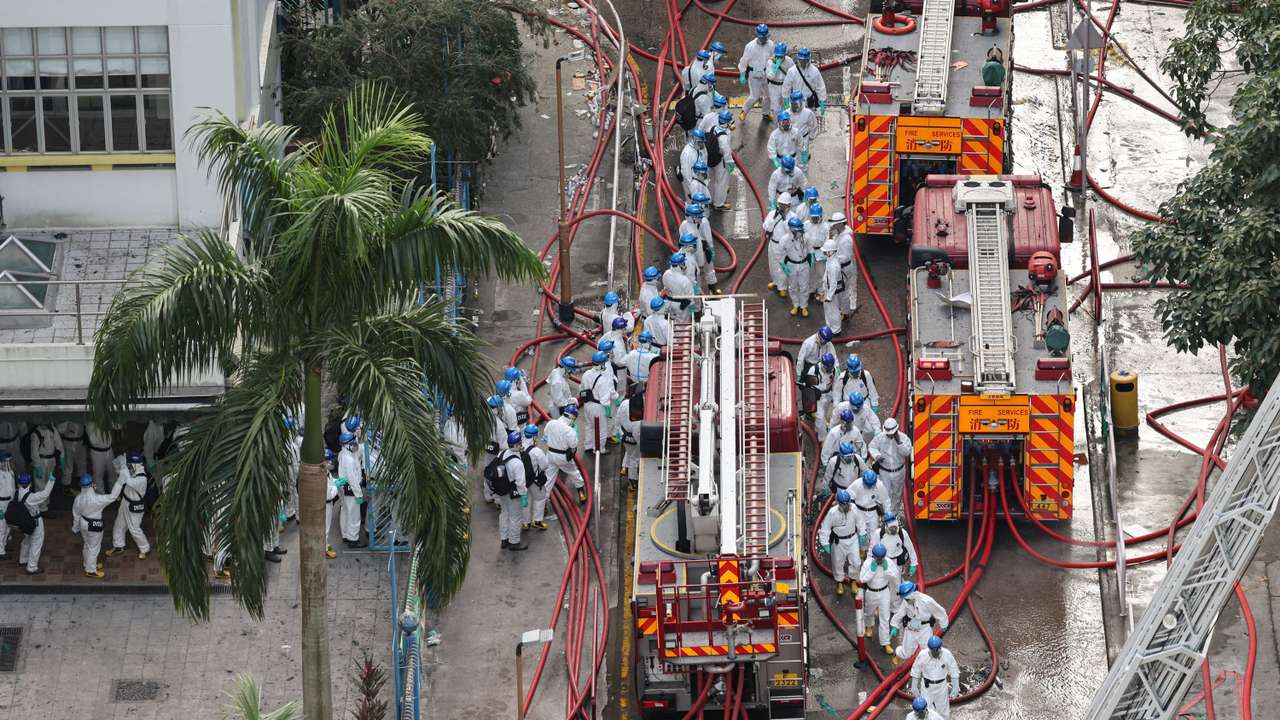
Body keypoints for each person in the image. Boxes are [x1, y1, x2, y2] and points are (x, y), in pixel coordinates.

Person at [72, 473, 124, 578]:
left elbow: (76, 514)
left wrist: (75, 526)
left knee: (87, 544)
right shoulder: (97, 499)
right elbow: (113, 496)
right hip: (94, 525)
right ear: (91, 485)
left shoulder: (78, 498)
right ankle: (91, 570)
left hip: (83, 523)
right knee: (93, 547)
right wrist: (120, 482)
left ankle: (87, 564)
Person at [890, 581, 950, 666]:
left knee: (928, 651)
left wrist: (944, 624)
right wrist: (894, 625)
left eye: (907, 599)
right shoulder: (906, 601)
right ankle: (898, 654)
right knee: (906, 653)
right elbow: (901, 612)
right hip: (911, 626)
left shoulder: (927, 601)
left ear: (913, 595)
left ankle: (926, 668)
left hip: (924, 628)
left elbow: (939, 611)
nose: (906, 601)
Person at [104, 453, 151, 559]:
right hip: (125, 501)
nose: (129, 465)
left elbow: (128, 481)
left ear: (137, 464)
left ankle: (145, 548)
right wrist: (121, 465)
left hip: (135, 506)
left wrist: (123, 468)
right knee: (119, 524)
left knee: (134, 528)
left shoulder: (142, 478)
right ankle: (118, 545)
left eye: (131, 463)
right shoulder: (132, 470)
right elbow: (118, 467)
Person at [859, 542, 902, 652]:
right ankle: (869, 625)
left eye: (881, 558)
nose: (879, 560)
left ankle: (885, 642)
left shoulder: (888, 562)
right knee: (869, 612)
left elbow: (895, 575)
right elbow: (862, 579)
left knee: (885, 617)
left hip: (884, 592)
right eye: (877, 558)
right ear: (873, 556)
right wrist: (871, 570)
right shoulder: (868, 563)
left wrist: (886, 568)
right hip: (871, 592)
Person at [818, 489, 859, 596]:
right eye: (843, 504)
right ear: (838, 503)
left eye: (847, 504)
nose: (846, 507)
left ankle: (853, 580)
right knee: (838, 563)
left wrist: (862, 533)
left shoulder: (854, 509)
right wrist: (825, 543)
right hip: (838, 542)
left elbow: (860, 521)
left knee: (856, 562)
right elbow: (825, 529)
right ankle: (839, 582)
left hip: (853, 539)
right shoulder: (832, 513)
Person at [15, 472, 55, 575]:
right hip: (35, 521)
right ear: (30, 484)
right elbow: (45, 494)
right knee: (36, 543)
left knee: (26, 540)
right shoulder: (30, 497)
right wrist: (51, 481)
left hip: (24, 521)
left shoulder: (17, 493)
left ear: (18, 484)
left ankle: (23, 559)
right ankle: (32, 567)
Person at [495, 431, 529, 551]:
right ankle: (514, 542)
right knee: (515, 517)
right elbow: (520, 483)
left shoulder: (501, 454)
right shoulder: (517, 463)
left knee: (504, 514)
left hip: (501, 491)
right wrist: (524, 495)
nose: (521, 445)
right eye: (519, 443)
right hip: (513, 493)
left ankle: (504, 539)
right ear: (515, 445)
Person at [911, 635, 961, 718]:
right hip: (927, 687)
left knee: (943, 710)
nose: (935, 654)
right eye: (933, 651)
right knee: (927, 709)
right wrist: (914, 686)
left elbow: (954, 671)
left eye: (937, 651)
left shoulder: (947, 655)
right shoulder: (922, 655)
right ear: (929, 649)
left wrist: (955, 687)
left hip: (941, 686)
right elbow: (916, 670)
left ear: (940, 648)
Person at [546, 403, 586, 503]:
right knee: (574, 473)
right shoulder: (569, 430)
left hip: (550, 455)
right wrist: (574, 432)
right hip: (562, 457)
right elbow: (573, 446)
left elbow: (545, 436)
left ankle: (544, 502)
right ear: (572, 417)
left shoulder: (551, 423)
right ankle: (581, 493)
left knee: (548, 479)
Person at [580, 351, 618, 455]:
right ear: (601, 364)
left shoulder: (586, 374)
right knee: (602, 429)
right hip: (598, 407)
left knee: (589, 426)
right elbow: (605, 400)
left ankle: (588, 446)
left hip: (587, 405)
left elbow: (582, 388)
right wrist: (608, 409)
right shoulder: (602, 380)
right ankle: (600, 449)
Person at [871, 419, 912, 513]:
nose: (889, 435)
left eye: (891, 433)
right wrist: (877, 456)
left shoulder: (904, 438)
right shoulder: (880, 437)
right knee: (884, 493)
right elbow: (872, 447)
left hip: (899, 471)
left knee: (897, 494)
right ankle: (886, 513)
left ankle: (894, 514)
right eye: (888, 433)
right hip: (884, 471)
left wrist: (899, 443)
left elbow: (906, 453)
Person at [737, 25, 775, 120]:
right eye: (762, 37)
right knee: (754, 96)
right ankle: (744, 111)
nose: (764, 39)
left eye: (765, 37)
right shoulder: (750, 46)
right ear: (757, 36)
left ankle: (766, 113)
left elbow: (773, 57)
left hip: (766, 73)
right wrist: (742, 73)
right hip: (753, 74)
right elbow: (744, 61)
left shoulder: (770, 44)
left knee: (768, 95)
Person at [337, 432, 367, 548]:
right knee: (354, 516)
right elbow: (353, 479)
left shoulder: (343, 454)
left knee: (345, 512)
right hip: (351, 490)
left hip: (344, 489)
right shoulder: (348, 459)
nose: (355, 444)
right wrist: (359, 495)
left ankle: (345, 535)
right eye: (353, 443)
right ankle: (353, 540)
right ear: (346, 445)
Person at [519, 425, 551, 532]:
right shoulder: (537, 451)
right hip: (534, 481)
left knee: (526, 501)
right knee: (540, 498)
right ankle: (537, 521)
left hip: (521, 480)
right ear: (534, 437)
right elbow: (545, 465)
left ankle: (525, 523)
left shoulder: (519, 446)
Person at [763, 192, 795, 294]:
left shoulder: (792, 217)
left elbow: (792, 232)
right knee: (772, 264)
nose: (782, 207)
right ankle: (776, 282)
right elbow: (766, 227)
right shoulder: (772, 213)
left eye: (784, 205)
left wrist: (785, 219)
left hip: (784, 246)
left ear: (789, 206)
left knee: (782, 266)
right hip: (773, 243)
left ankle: (782, 287)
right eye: (780, 204)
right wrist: (774, 218)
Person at [851, 469, 890, 551]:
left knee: (874, 533)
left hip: (873, 512)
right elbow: (849, 498)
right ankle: (861, 550)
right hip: (859, 511)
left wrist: (888, 515)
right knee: (860, 532)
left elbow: (886, 500)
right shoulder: (856, 484)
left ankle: (872, 552)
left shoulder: (879, 485)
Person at [881, 512, 919, 591]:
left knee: (896, 584)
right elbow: (872, 549)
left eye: (895, 527)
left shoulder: (902, 533)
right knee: (883, 582)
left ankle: (896, 602)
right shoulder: (879, 534)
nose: (894, 530)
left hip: (897, 563)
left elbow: (910, 548)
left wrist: (914, 563)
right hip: (883, 562)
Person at [782, 216, 812, 316]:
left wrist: (811, 262)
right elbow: (781, 254)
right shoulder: (785, 239)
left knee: (804, 287)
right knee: (793, 286)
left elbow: (810, 251)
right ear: (791, 230)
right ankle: (795, 305)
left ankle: (804, 306)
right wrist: (783, 265)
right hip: (791, 265)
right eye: (797, 231)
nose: (800, 233)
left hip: (804, 264)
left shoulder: (806, 237)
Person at [26, 423, 62, 508]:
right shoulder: (36, 433)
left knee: (48, 483)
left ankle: (46, 502)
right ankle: (41, 507)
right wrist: (37, 465)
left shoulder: (52, 429)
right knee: (40, 484)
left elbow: (59, 444)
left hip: (51, 459)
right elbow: (34, 451)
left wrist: (62, 456)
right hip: (41, 460)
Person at [706, 114, 735, 212]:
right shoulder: (723, 137)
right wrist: (730, 163)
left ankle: (709, 198)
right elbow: (726, 151)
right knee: (721, 182)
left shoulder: (714, 128)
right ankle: (719, 203)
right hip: (720, 161)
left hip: (711, 158)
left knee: (712, 180)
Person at [784, 47, 827, 113]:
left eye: (805, 60)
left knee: (809, 120)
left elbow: (820, 87)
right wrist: (786, 99)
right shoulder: (792, 71)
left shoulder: (814, 71)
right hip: (795, 102)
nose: (803, 62)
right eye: (801, 60)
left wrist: (822, 101)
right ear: (798, 59)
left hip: (809, 103)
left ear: (809, 59)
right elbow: (786, 86)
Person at [830, 212, 858, 315]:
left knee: (845, 291)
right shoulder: (839, 234)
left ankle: (845, 312)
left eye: (835, 224)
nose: (833, 225)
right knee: (841, 290)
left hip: (844, 268)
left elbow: (845, 257)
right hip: (840, 266)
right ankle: (842, 310)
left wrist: (832, 258)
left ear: (841, 224)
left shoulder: (846, 239)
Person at [818, 240, 847, 333]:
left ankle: (836, 330)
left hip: (832, 291)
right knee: (828, 309)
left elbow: (834, 283)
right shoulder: (830, 260)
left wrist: (829, 297)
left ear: (831, 252)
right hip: (829, 289)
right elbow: (827, 275)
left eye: (825, 251)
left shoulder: (834, 265)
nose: (824, 253)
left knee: (833, 310)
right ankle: (829, 326)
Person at [807, 352, 839, 434]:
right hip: (817, 397)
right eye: (828, 368)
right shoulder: (814, 371)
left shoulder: (834, 370)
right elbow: (809, 388)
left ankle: (824, 427)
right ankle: (821, 438)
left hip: (828, 394)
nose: (830, 370)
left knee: (831, 411)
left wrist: (836, 402)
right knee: (820, 418)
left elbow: (836, 387)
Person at [804, 203, 830, 299]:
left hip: (820, 252)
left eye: (816, 217)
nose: (814, 219)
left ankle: (820, 291)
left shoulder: (826, 227)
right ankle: (811, 289)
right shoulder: (806, 225)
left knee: (821, 272)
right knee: (810, 272)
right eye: (813, 217)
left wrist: (825, 253)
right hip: (809, 251)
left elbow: (828, 240)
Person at [662, 253, 697, 323]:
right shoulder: (684, 280)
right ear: (679, 265)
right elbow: (690, 297)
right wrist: (692, 308)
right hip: (681, 306)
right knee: (683, 325)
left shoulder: (666, 274)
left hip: (669, 303)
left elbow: (665, 288)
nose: (684, 265)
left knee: (671, 321)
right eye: (683, 263)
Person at [787, 90, 818, 166]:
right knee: (792, 159)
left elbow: (813, 126)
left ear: (801, 102)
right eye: (793, 104)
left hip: (804, 139)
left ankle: (803, 173)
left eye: (796, 104)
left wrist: (811, 137)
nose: (794, 106)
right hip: (791, 139)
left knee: (803, 163)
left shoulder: (808, 113)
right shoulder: (787, 113)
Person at [765, 42, 794, 119]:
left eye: (781, 56)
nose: (780, 58)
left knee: (787, 107)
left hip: (786, 86)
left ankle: (787, 124)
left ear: (785, 54)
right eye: (778, 56)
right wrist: (774, 69)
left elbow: (794, 74)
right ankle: (777, 126)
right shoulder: (770, 62)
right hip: (774, 87)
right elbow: (769, 77)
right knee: (775, 109)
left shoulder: (789, 61)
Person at [57, 421, 88, 492]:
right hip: (67, 443)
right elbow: (60, 430)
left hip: (80, 442)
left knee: (82, 464)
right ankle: (66, 486)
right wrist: (67, 420)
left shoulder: (80, 414)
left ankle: (83, 483)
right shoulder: (64, 416)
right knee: (68, 465)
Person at [86, 421, 114, 492]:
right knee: (98, 476)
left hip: (109, 450)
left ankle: (114, 492)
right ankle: (99, 495)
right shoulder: (90, 424)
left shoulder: (107, 419)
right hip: (97, 452)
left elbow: (118, 426)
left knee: (113, 473)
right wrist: (100, 426)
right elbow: (93, 441)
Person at [679, 129, 708, 199]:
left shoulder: (698, 148)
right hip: (692, 183)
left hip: (699, 179)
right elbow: (686, 174)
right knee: (693, 204)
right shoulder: (687, 154)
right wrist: (691, 190)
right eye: (700, 142)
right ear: (694, 140)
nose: (702, 144)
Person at [324, 448, 340, 559]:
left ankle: (324, 544)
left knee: (326, 527)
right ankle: (324, 550)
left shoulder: (326, 472)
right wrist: (336, 486)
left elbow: (330, 481)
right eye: (327, 460)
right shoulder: (322, 476)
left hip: (328, 504)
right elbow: (329, 495)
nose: (330, 462)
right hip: (326, 504)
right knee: (325, 528)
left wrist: (335, 481)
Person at [0, 451, 13, 556]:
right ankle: (0, 551)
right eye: (5, 461)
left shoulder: (10, 473)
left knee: (8, 526)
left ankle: (3, 545)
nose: (7, 463)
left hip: (9, 502)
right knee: (1, 527)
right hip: (1, 504)